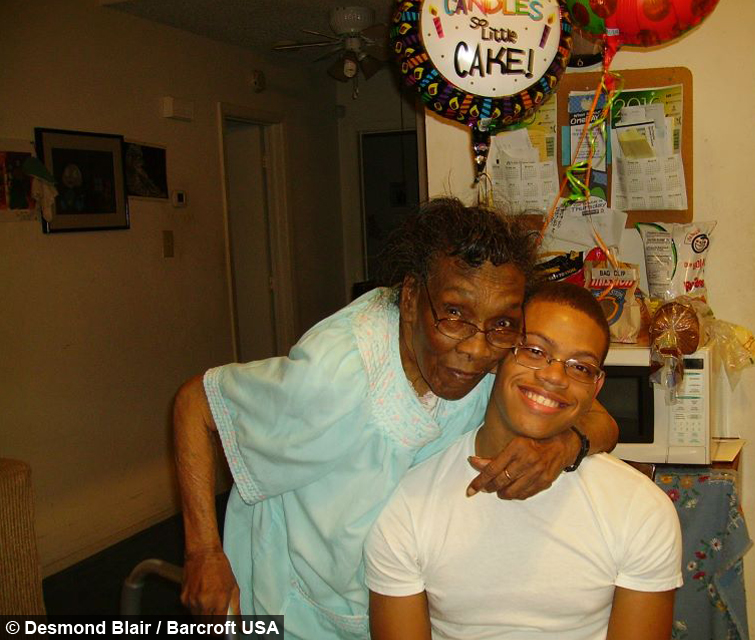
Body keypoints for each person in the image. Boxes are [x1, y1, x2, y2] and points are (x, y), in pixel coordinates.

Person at [172, 197, 618, 638]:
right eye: (454, 315)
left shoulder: (499, 350)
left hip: (393, 591)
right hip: (292, 599)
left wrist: (562, 448)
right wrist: (203, 552)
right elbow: (196, 403)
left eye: (501, 323)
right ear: (410, 299)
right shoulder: (333, 376)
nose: (476, 349)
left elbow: (599, 419)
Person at [364, 282, 682, 640]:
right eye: (534, 350)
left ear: (595, 387)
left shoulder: (640, 510)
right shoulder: (408, 505)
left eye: (580, 367)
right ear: (499, 355)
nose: (553, 376)